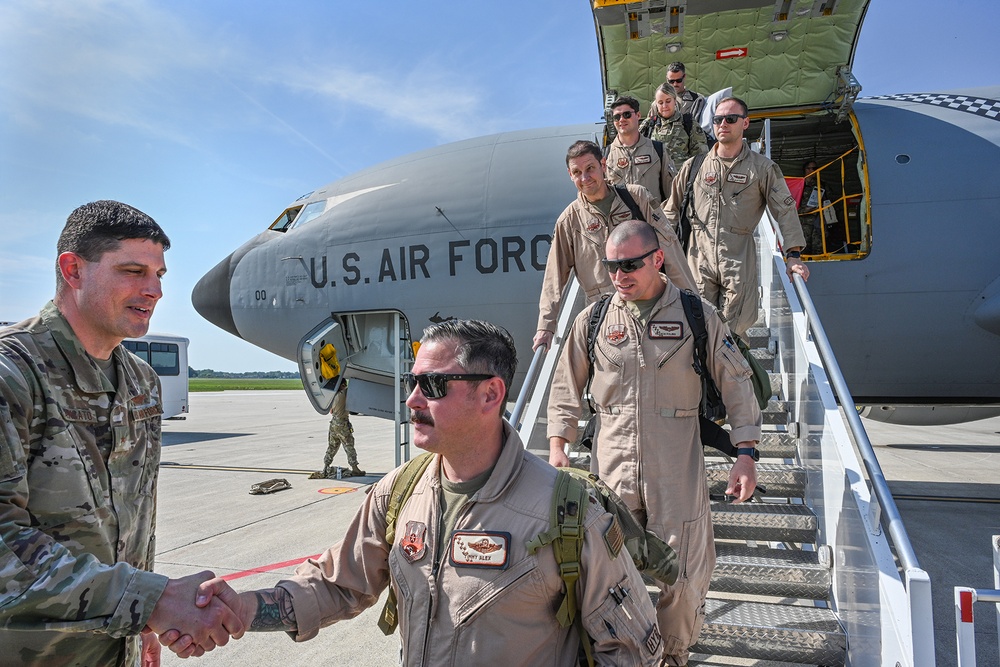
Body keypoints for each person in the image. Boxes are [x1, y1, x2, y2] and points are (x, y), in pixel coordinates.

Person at [163, 319, 663, 666]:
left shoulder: (568, 510)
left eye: (433, 386)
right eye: (412, 381)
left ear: (490, 394)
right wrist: (244, 609)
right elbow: (340, 585)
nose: (412, 399)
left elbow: (633, 651)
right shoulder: (400, 492)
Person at [0, 201, 244, 665]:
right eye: (133, 271)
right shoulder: (14, 374)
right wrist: (148, 599)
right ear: (73, 270)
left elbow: (135, 522)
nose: (153, 290)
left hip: (115, 646)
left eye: (159, 275)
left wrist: (141, 620)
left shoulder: (141, 381)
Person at [547, 221, 762, 667]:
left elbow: (738, 384)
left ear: (657, 259)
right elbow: (565, 386)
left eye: (630, 265)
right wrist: (557, 445)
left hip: (675, 467)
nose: (619, 276)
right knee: (601, 574)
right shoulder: (595, 319)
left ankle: (673, 657)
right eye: (611, 266)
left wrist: (746, 454)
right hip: (611, 467)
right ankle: (616, 655)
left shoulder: (697, 315)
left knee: (683, 574)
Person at [663, 97, 809, 339]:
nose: (723, 124)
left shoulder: (762, 169)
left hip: (738, 258)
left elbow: (784, 210)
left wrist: (793, 256)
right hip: (698, 258)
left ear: (745, 123)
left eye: (731, 119)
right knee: (695, 329)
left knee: (733, 334)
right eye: (718, 119)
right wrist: (660, 254)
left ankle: (736, 375)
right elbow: (670, 210)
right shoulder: (694, 166)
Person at [533, 140, 696, 351]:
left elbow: (670, 248)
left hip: (650, 305)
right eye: (577, 172)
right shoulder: (570, 221)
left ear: (603, 164)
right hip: (605, 318)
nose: (585, 178)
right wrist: (546, 326)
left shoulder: (637, 198)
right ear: (570, 175)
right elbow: (554, 277)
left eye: (590, 168)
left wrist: (691, 300)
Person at [604, 95, 675, 207]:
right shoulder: (606, 155)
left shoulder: (658, 150)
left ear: (638, 115)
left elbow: (672, 194)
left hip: (653, 221)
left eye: (626, 115)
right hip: (622, 223)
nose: (621, 120)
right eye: (617, 117)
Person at [640, 83, 709, 171]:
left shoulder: (688, 122)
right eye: (660, 103)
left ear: (675, 100)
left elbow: (701, 154)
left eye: (668, 101)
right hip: (655, 179)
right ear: (656, 104)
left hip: (681, 179)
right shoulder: (649, 124)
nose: (664, 106)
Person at [310, 380, 365, 479]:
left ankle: (326, 466)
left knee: (332, 446)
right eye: (344, 385)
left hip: (333, 423)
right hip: (342, 424)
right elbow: (354, 387)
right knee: (349, 445)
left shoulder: (333, 396)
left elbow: (330, 411)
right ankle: (355, 468)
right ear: (342, 386)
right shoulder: (342, 394)